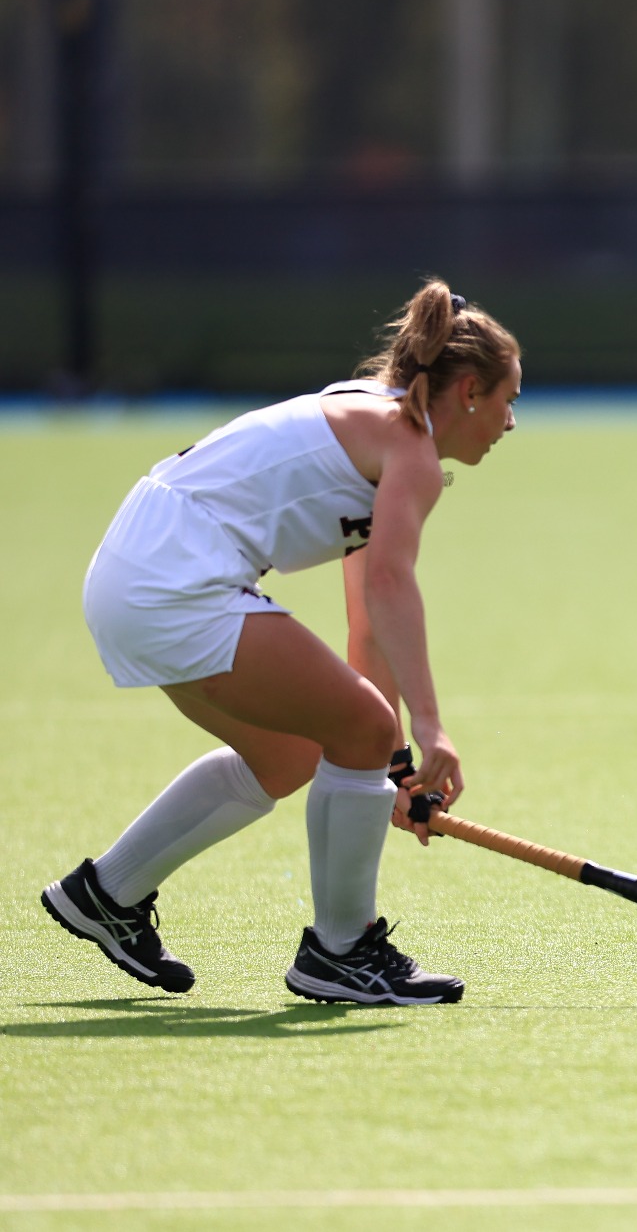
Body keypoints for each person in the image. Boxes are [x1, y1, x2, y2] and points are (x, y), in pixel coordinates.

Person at [41, 279, 522, 1005]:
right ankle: (341, 950)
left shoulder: (380, 422)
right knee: (360, 723)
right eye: (509, 399)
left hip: (133, 570)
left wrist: (389, 764)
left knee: (295, 749)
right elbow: (392, 587)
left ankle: (108, 891)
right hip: (175, 576)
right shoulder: (411, 452)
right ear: (470, 393)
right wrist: (428, 730)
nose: (511, 422)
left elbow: (368, 618)